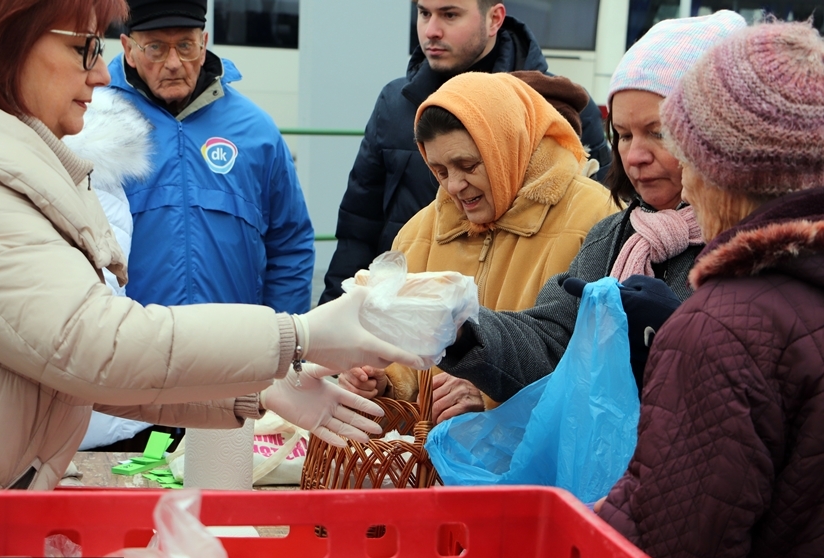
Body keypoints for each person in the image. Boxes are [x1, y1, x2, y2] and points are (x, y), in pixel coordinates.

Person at [0, 0, 428, 556]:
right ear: (7, 41)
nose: (99, 73)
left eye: (186, 44)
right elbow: (90, 343)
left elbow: (70, 360)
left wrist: (260, 385)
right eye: (84, 48)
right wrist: (296, 339)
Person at [593, 21, 824, 558]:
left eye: (681, 147)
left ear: (730, 167)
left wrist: (595, 530)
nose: (686, 185)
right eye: (622, 135)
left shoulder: (722, 327)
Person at [433, 11, 746, 422]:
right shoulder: (612, 237)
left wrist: (676, 332)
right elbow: (551, 342)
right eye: (624, 134)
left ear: (720, 129)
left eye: (659, 133)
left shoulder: (756, 246)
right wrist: (463, 329)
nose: (635, 155)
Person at [338, 71, 618, 404]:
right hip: (436, 452)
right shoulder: (416, 234)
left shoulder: (595, 216)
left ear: (507, 148)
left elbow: (594, 366)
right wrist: (382, 380)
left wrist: (489, 398)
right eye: (440, 171)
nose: (453, 185)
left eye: (468, 165)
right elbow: (404, 360)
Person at [318, 0, 612, 305]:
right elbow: (359, 228)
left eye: (449, 14)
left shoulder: (563, 107)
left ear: (494, 19)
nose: (431, 30)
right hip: (414, 314)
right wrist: (330, 333)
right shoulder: (393, 104)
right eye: (423, 14)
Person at [109, 0, 315, 314]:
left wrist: (281, 341)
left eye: (186, 45)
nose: (174, 62)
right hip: (133, 351)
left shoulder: (256, 131)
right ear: (129, 49)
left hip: (238, 351)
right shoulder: (96, 126)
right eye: (156, 48)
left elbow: (290, 244)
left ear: (204, 45)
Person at [63, 85, 157, 450]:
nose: (101, 72)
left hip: (97, 411)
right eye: (82, 50)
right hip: (87, 411)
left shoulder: (98, 172)